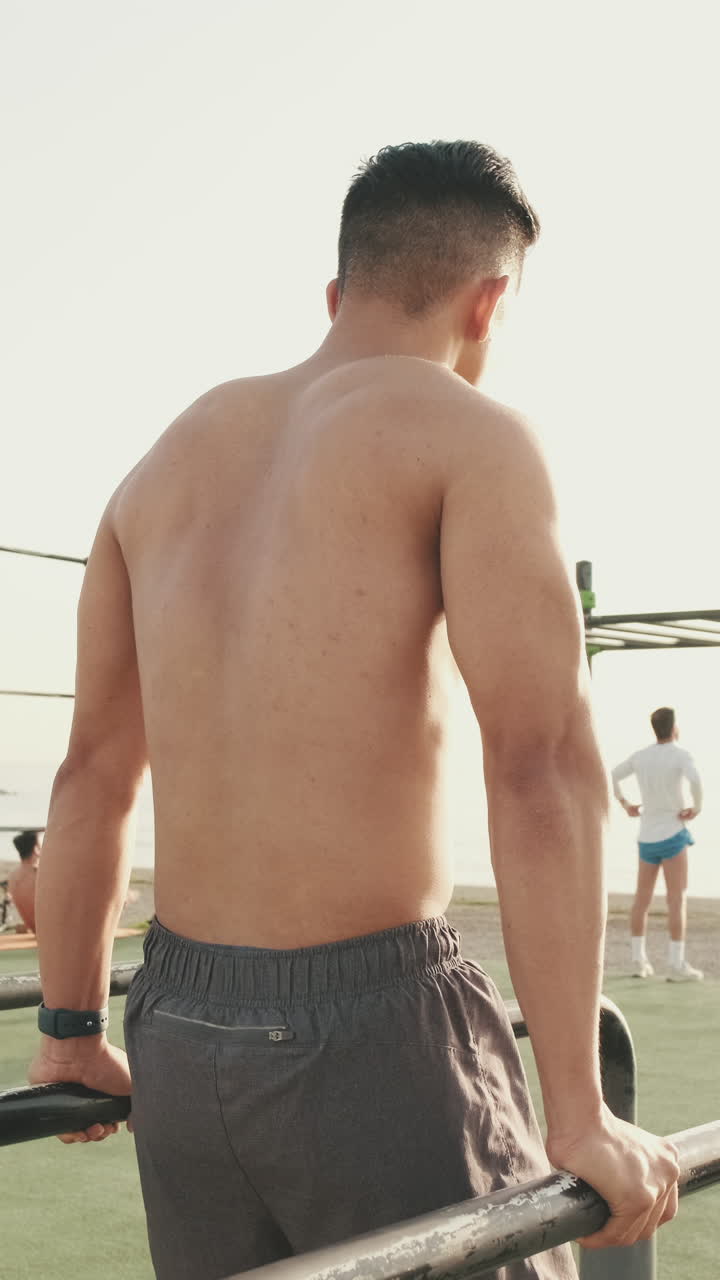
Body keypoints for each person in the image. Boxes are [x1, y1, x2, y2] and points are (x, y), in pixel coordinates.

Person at [28, 141, 678, 1280]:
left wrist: (70, 1029)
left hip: (174, 1025)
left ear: (337, 293)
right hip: (372, 1034)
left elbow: (90, 776)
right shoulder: (472, 433)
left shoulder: (161, 462)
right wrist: (575, 1108)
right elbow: (541, 768)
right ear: (491, 303)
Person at [612, 706, 703, 982]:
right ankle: (676, 965)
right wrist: (696, 807)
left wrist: (626, 804)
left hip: (647, 837)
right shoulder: (681, 755)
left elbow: (614, 775)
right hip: (674, 835)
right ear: (674, 727)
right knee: (677, 900)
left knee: (642, 899)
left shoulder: (641, 757)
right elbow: (697, 780)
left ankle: (639, 961)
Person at [8, 830, 41, 933]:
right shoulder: (38, 873)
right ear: (36, 849)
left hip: (35, 929)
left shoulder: (13, 876)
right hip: (49, 930)